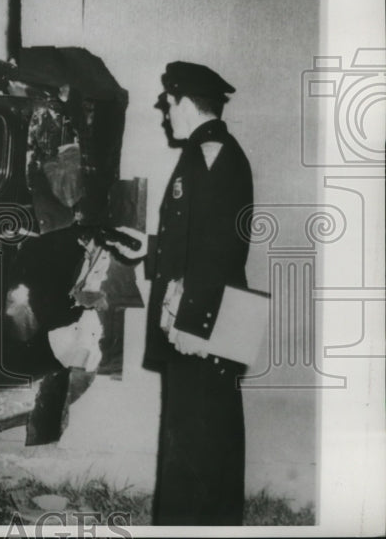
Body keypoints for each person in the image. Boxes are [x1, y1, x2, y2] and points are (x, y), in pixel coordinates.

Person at [143, 61, 254, 526]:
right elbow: (194, 238)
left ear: (186, 102)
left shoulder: (211, 151)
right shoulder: (209, 150)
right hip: (213, 311)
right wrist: (145, 247)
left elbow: (218, 250)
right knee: (207, 436)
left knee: (195, 444)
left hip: (205, 318)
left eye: (168, 104)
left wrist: (191, 322)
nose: (166, 113)